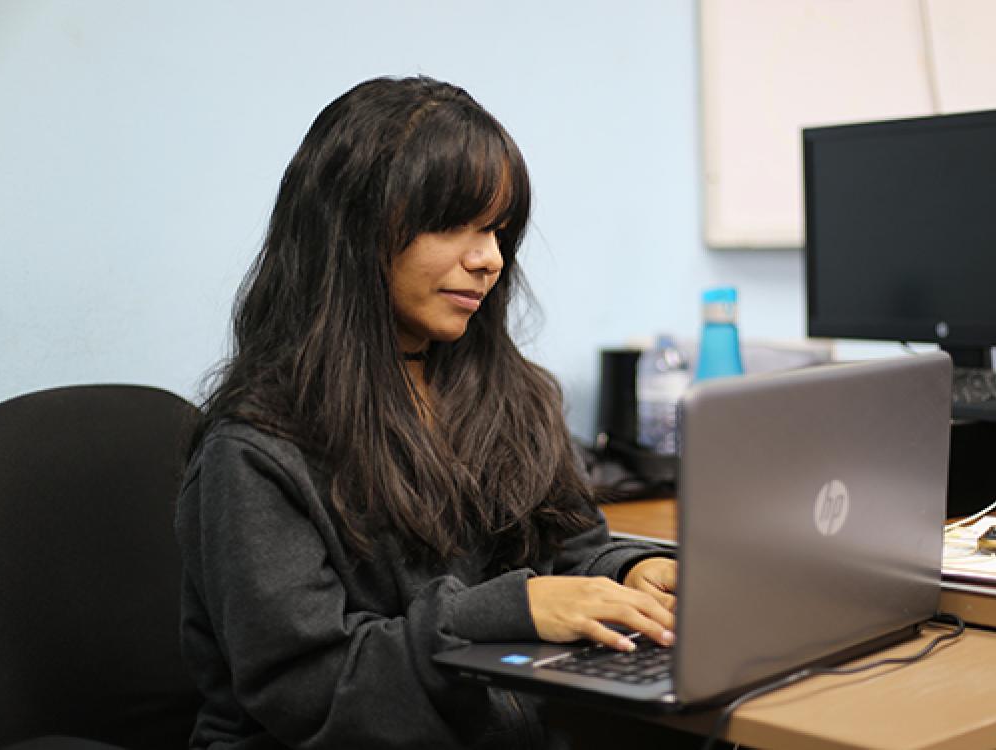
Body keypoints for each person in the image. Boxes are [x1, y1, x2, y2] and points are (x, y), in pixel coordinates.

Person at [175, 76, 680, 749]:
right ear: (352, 231)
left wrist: (626, 573)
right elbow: (311, 691)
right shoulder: (254, 450)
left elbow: (572, 553)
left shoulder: (513, 395)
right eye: (452, 225)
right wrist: (509, 611)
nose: (489, 259)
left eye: (497, 230)